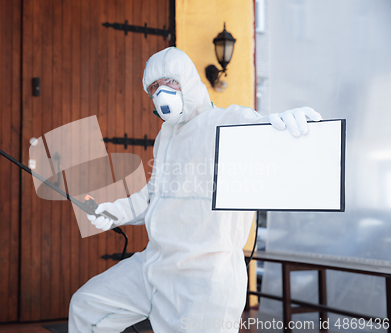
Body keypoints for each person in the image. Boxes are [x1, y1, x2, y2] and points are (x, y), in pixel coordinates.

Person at [68, 47, 322, 332]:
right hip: (154, 265)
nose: (162, 92)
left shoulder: (229, 121)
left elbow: (266, 135)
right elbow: (154, 195)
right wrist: (113, 212)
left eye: (170, 82)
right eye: (154, 88)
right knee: (87, 306)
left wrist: (288, 129)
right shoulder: (165, 135)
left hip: (206, 279)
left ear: (188, 80)